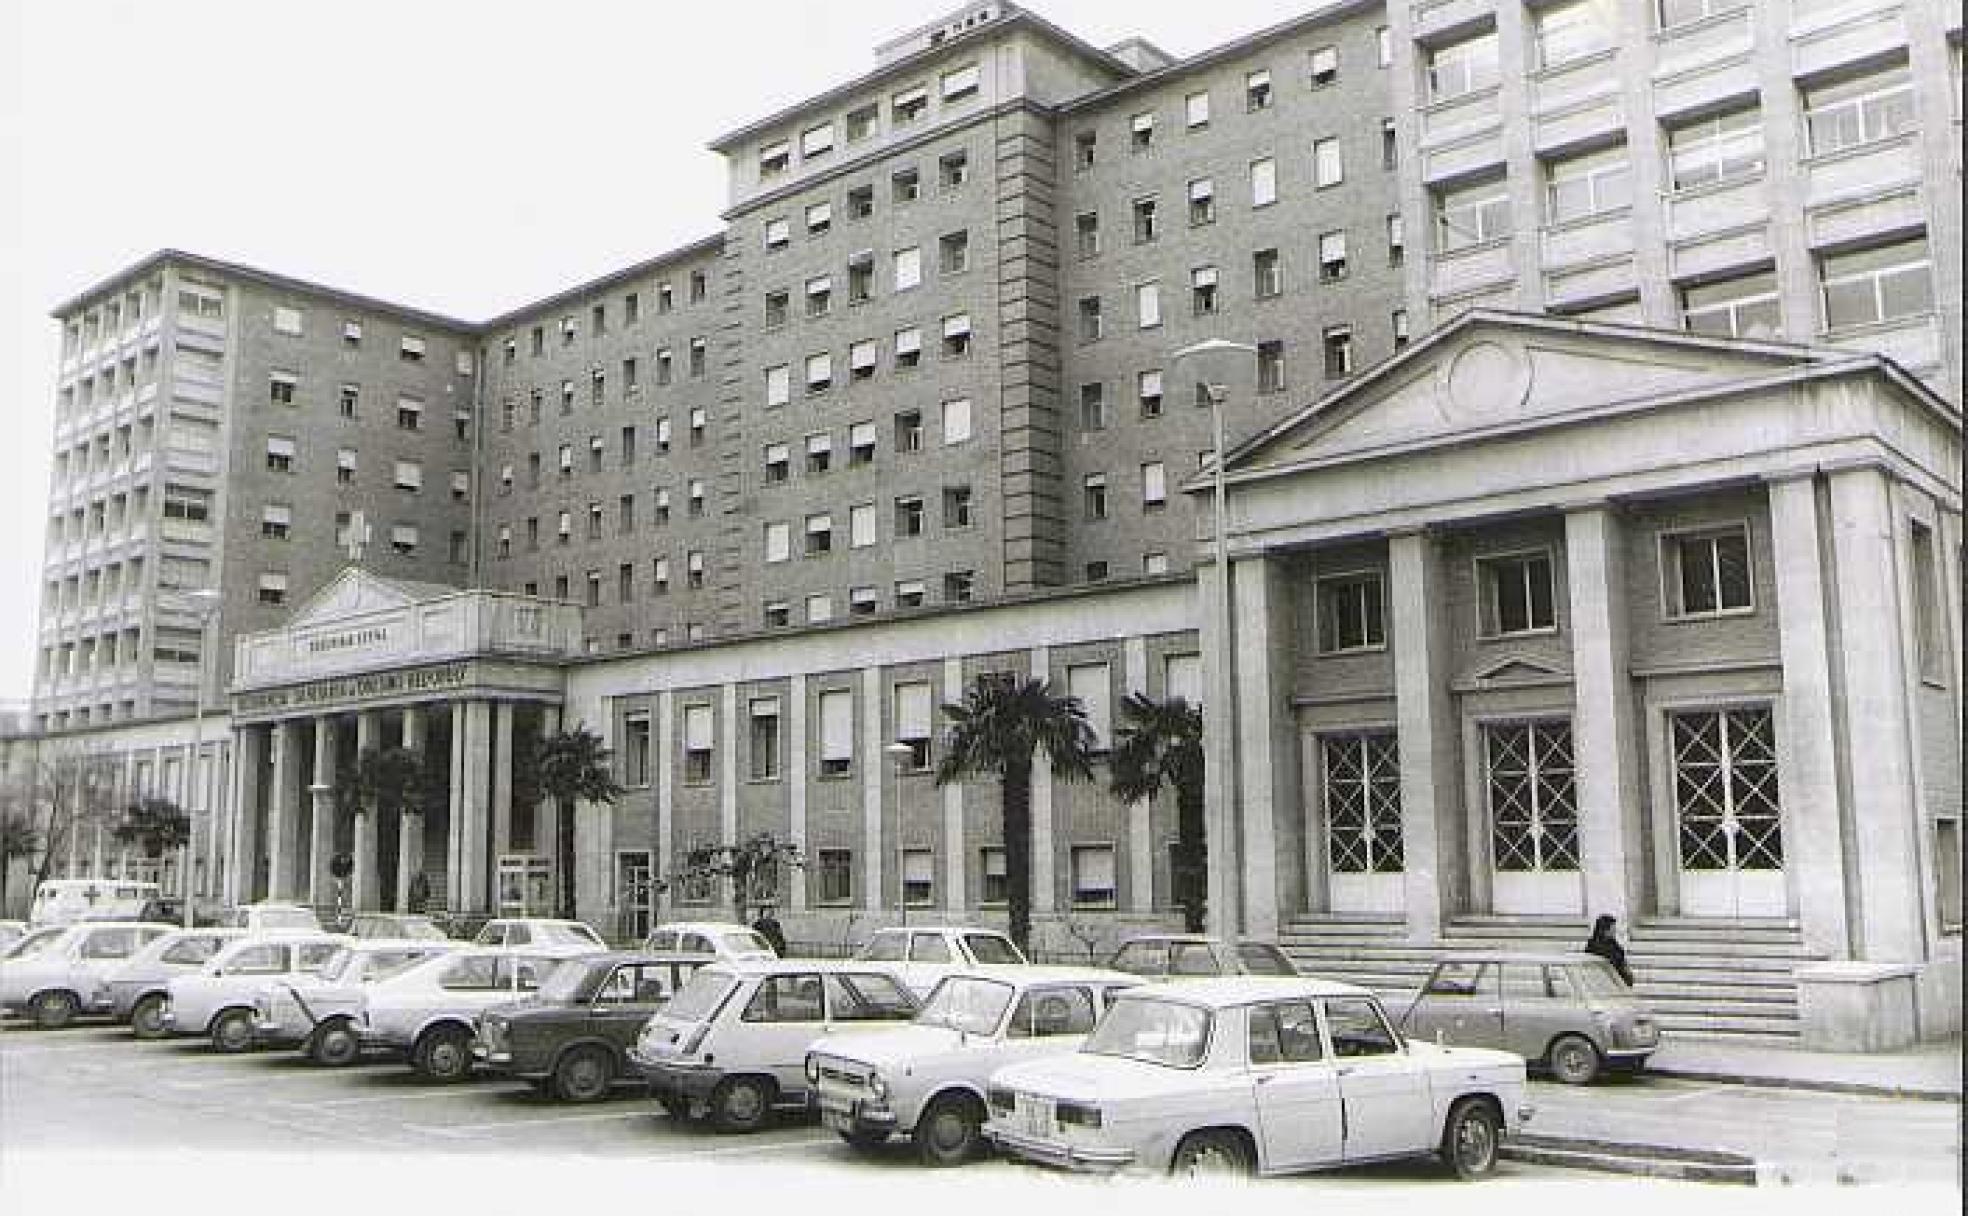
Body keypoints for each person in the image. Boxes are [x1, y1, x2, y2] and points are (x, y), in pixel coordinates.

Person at [1583, 913, 1634, 986]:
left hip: (1620, 981)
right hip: (1606, 982)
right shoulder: (1594, 944)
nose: (1614, 930)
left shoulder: (1613, 943)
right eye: (1612, 928)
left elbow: (1620, 958)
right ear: (1605, 929)